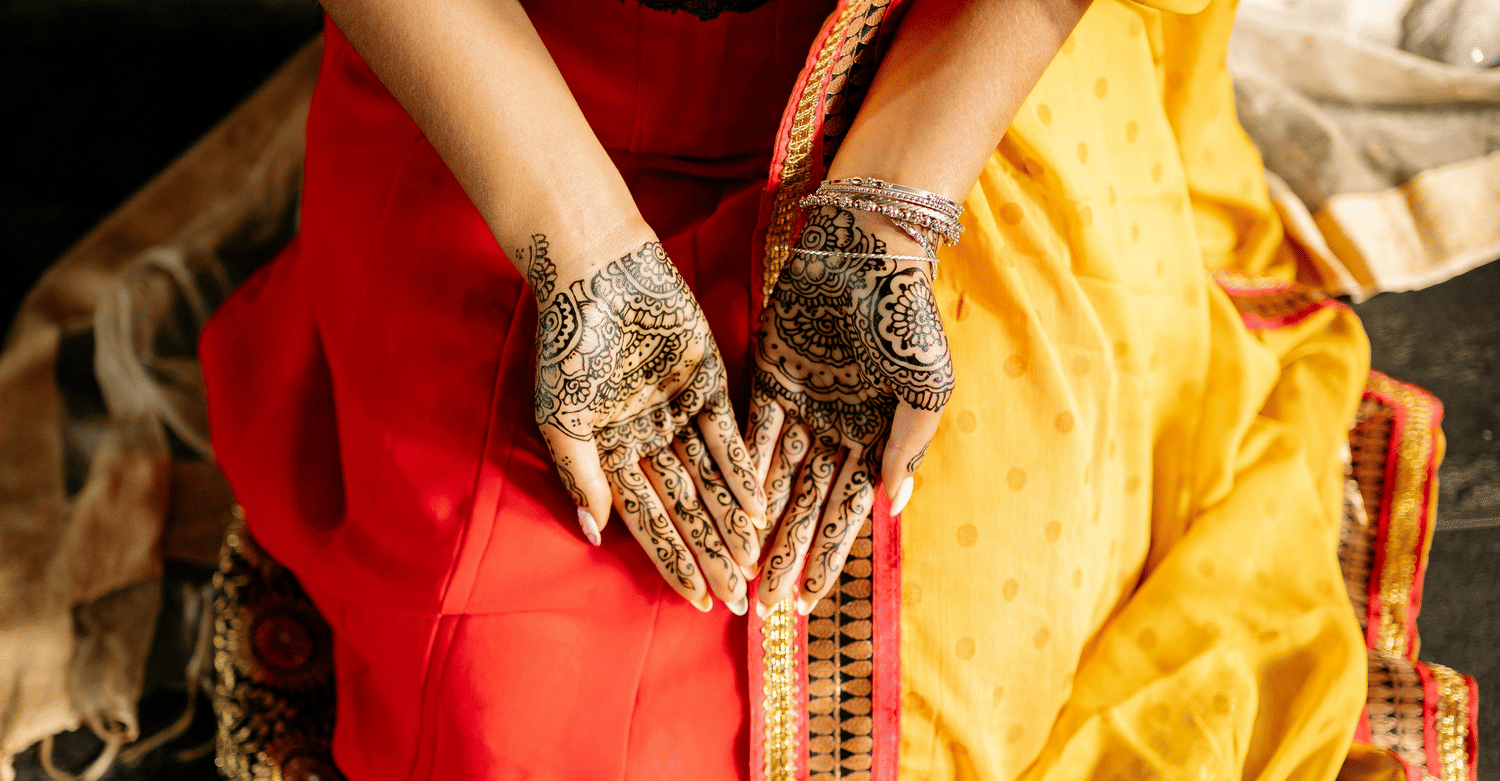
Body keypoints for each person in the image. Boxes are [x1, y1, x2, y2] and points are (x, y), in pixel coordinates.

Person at [199, 0, 1370, 778]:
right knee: (511, 724)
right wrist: (582, 249)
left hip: (936, 75)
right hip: (520, 105)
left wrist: (886, 219)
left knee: (968, 680)